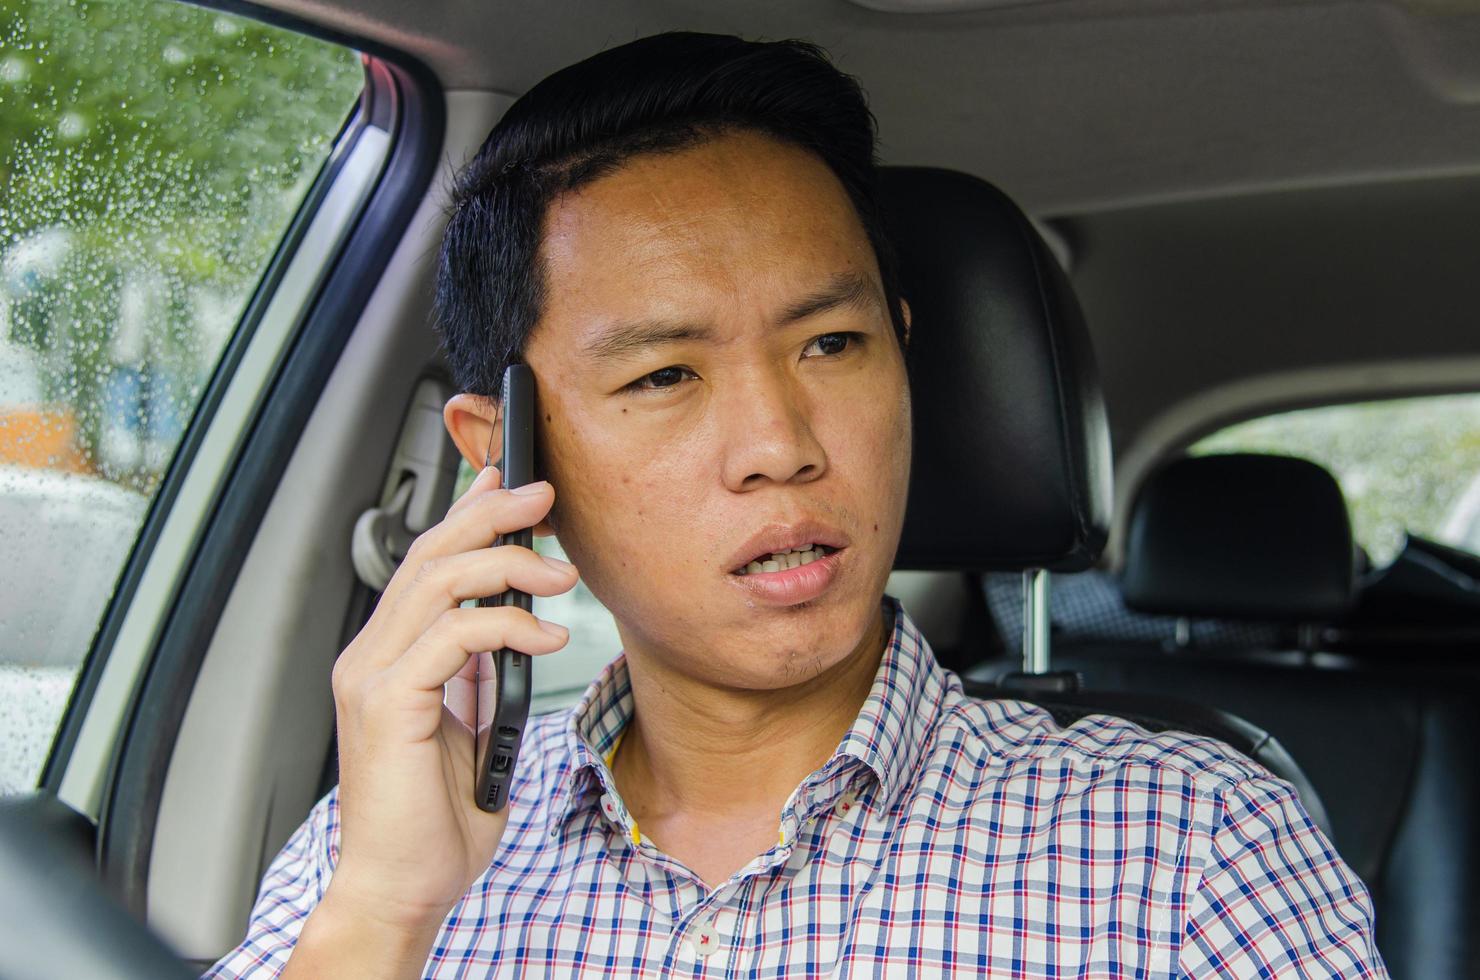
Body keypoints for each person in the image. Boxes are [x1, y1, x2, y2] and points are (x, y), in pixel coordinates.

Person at [207, 31, 1385, 978]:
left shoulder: (1191, 847)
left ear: (904, 360)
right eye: (665, 374)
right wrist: (379, 919)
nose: (779, 444)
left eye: (831, 342)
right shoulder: (373, 850)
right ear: (506, 457)